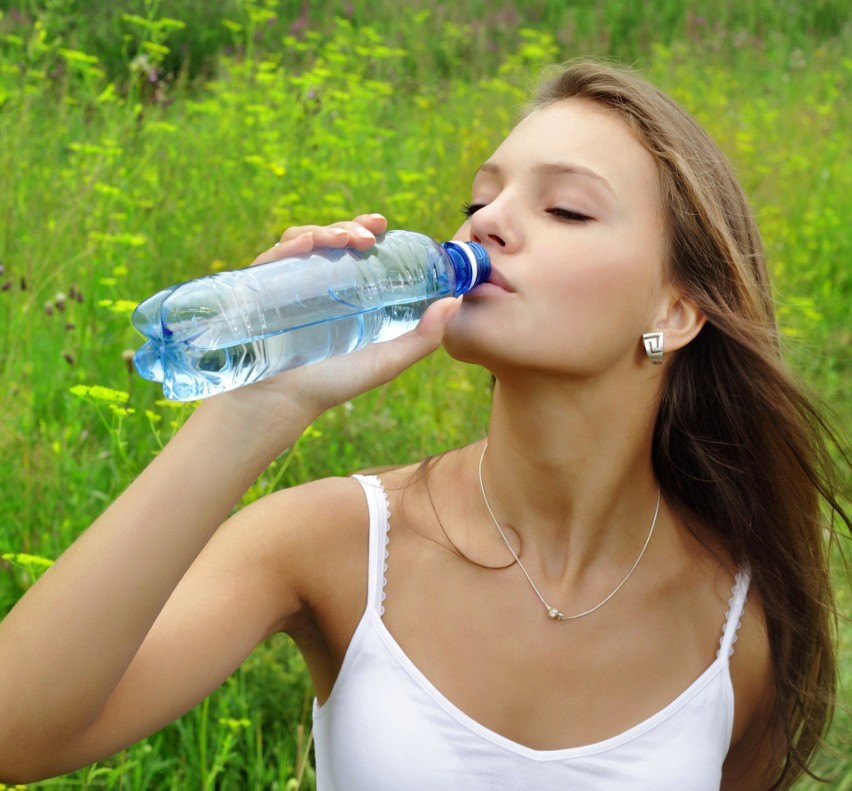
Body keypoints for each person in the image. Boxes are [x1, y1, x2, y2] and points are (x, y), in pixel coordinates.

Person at [0, 60, 846, 790]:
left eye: (567, 211)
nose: (484, 222)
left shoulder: (736, 621)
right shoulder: (340, 543)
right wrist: (257, 407)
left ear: (678, 307)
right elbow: (17, 732)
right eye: (482, 196)